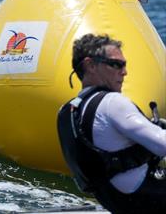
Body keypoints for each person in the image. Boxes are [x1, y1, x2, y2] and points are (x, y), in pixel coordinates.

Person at [57, 33, 166, 213]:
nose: (124, 72)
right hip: (150, 202)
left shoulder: (68, 111)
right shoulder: (112, 103)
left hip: (117, 203)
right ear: (90, 65)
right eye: (116, 64)